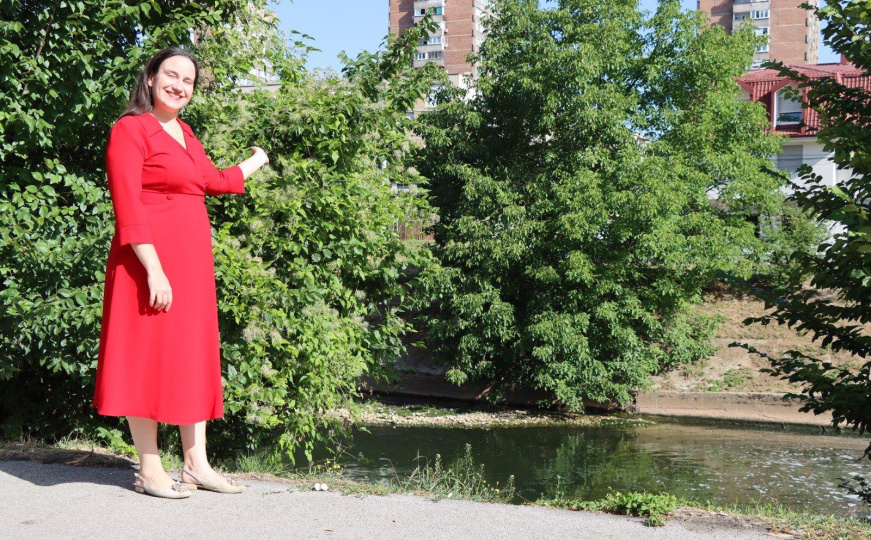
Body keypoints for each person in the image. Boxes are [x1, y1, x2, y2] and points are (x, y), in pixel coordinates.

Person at [92, 46, 269, 499]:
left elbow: (211, 181)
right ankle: (150, 468)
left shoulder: (186, 135)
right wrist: (153, 269)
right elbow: (128, 206)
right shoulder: (130, 130)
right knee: (146, 359)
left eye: (188, 80)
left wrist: (255, 161)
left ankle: (196, 464)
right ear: (150, 78)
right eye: (171, 75)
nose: (179, 85)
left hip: (191, 266)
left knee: (191, 355)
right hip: (147, 263)